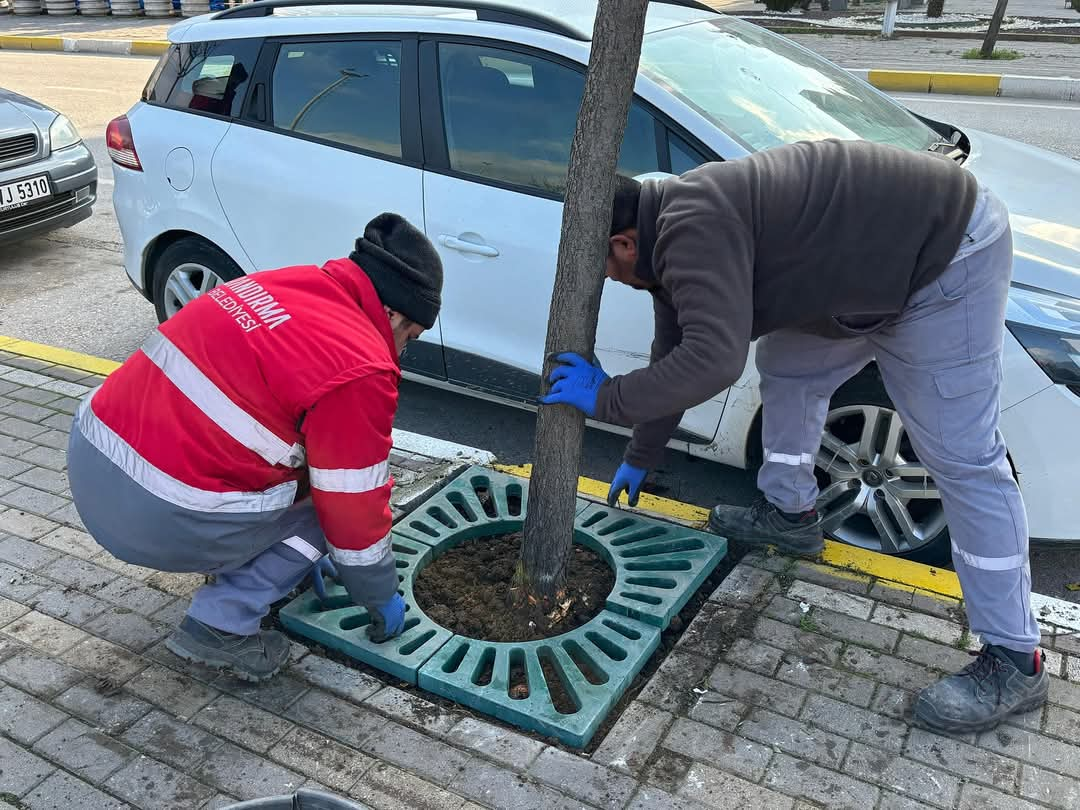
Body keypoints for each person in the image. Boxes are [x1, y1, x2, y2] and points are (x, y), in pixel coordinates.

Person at [540, 139, 1046, 734]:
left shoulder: (689, 230)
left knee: (963, 458)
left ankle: (1017, 658)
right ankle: (792, 513)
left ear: (623, 243)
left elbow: (714, 360)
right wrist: (640, 454)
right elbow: (677, 350)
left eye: (605, 268)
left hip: (944, 257)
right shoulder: (667, 229)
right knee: (788, 363)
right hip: (871, 274)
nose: (613, 280)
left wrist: (607, 398)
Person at [67, 213, 442, 682]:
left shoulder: (286, 283)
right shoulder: (362, 365)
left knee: (302, 471)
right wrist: (377, 591)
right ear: (392, 312)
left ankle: (247, 553)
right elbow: (353, 510)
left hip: (91, 459)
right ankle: (222, 624)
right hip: (155, 515)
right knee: (330, 515)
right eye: (410, 336)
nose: (403, 350)